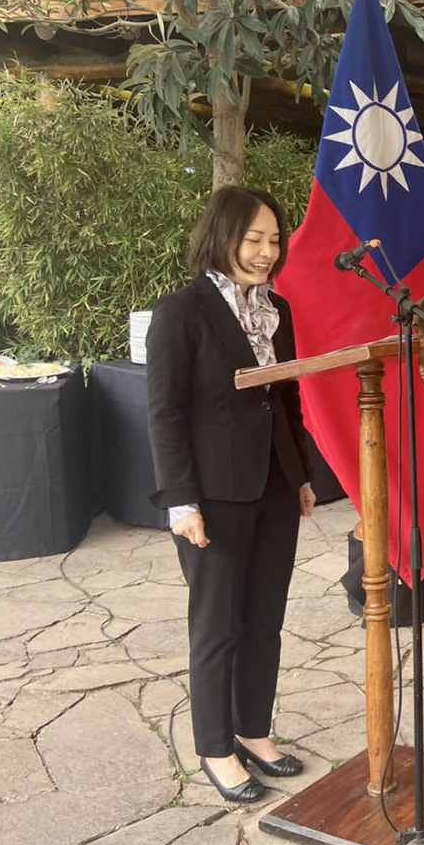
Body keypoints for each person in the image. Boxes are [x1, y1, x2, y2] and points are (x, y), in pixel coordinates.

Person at [147, 185, 316, 804]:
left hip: (273, 485)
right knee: (217, 624)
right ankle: (216, 748)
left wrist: (300, 476)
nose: (267, 251)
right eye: (254, 239)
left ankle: (254, 730)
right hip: (213, 495)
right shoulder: (181, 313)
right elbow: (164, 415)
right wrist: (181, 500)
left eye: (275, 240)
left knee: (265, 619)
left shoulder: (280, 311)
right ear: (221, 237)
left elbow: (287, 401)